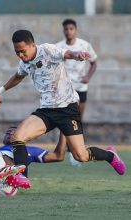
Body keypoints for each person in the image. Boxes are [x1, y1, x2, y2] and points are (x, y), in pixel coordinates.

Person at [0, 30, 126, 179]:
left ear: (32, 45)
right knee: (18, 136)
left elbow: (68, 54)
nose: (21, 56)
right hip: (47, 110)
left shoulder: (48, 50)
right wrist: (0, 91)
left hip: (67, 109)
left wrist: (78, 55)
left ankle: (110, 156)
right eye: (17, 53)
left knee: (80, 155)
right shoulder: (24, 63)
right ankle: (21, 178)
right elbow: (18, 76)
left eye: (23, 51)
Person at [56, 19, 98, 167]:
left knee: (77, 120)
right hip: (66, 90)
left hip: (81, 88)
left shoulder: (84, 45)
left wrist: (88, 77)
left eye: (71, 29)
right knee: (67, 119)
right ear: (63, 31)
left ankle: (76, 152)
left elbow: (94, 62)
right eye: (66, 29)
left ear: (76, 30)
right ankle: (68, 151)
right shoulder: (58, 47)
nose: (68, 31)